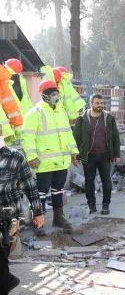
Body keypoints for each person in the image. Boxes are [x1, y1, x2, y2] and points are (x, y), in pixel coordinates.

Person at [21, 80, 79, 236]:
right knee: (40, 193)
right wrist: (31, 157)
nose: (56, 96)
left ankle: (58, 218)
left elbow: (68, 134)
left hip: (61, 162)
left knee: (58, 190)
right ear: (44, 96)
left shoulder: (61, 112)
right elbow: (28, 137)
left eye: (57, 93)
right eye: (52, 93)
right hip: (43, 163)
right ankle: (38, 223)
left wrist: (74, 152)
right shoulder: (35, 113)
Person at [0, 133, 45, 295]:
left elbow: (30, 186)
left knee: (0, 259)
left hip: (7, 218)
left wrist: (38, 212)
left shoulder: (14, 157)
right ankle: (8, 280)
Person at [73, 94, 121, 215]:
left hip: (105, 155)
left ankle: (106, 205)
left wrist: (116, 154)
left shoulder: (109, 118)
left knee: (107, 181)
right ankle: (91, 205)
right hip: (88, 156)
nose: (100, 105)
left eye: (101, 103)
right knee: (89, 182)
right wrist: (75, 155)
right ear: (91, 104)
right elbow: (76, 138)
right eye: (97, 103)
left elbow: (115, 136)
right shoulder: (82, 119)